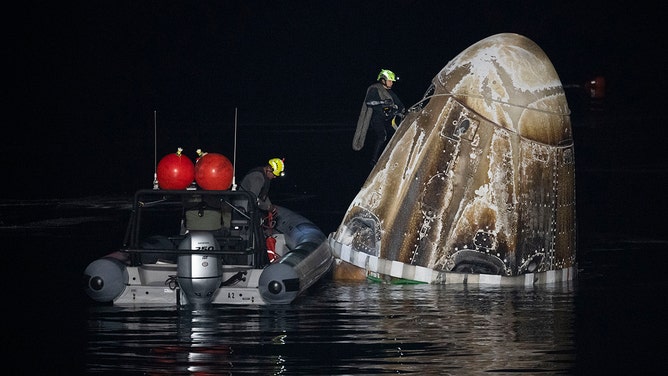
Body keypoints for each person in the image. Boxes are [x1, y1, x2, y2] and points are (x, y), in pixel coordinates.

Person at [353, 69, 405, 166]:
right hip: (377, 118)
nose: (392, 83)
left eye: (392, 81)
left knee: (397, 134)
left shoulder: (390, 93)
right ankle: (374, 160)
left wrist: (401, 110)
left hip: (389, 118)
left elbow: (399, 104)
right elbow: (369, 102)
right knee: (382, 136)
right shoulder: (375, 89)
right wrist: (383, 102)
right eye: (390, 81)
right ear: (383, 80)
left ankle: (393, 156)